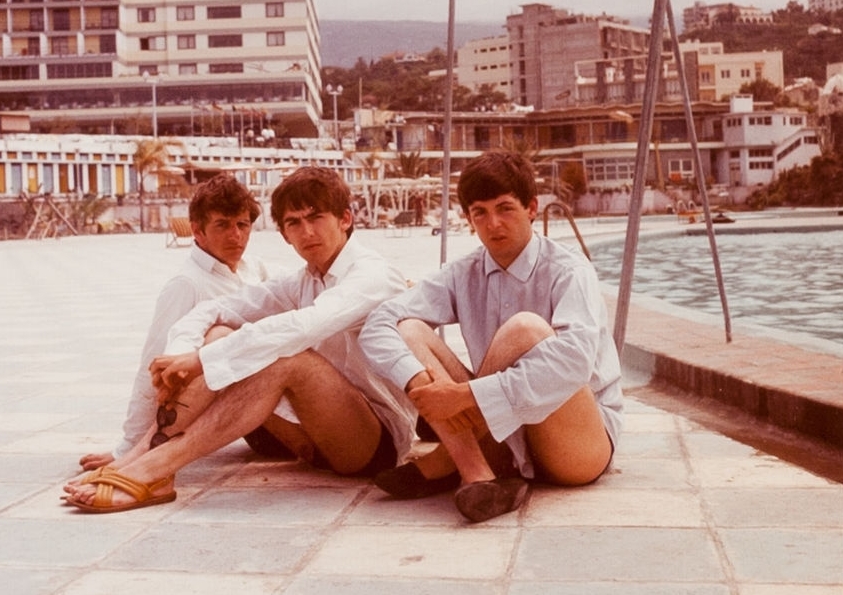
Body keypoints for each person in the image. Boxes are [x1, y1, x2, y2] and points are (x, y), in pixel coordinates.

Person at [63, 166, 415, 513]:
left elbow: (303, 327)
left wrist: (199, 361)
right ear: (284, 235)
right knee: (219, 334)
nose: (307, 231)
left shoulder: (370, 274)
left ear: (345, 219)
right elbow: (217, 309)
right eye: (294, 223)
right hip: (310, 436)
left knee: (288, 357)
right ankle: (142, 457)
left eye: (316, 217)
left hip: (372, 441)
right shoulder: (303, 280)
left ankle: (154, 468)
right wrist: (181, 354)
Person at [359, 152, 623, 523]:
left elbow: (575, 363)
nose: (493, 223)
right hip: (503, 440)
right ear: (468, 219)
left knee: (525, 328)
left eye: (505, 208)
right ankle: (475, 472)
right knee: (408, 328)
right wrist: (422, 385)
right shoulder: (462, 273)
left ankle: (448, 457)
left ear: (531, 208)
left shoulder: (569, 270)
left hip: (576, 446)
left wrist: (463, 397)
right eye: (479, 212)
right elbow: (378, 323)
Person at [77, 174, 303, 472]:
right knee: (220, 336)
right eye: (222, 225)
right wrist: (128, 447)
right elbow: (154, 366)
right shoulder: (187, 285)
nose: (235, 235)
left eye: (242, 225)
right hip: (259, 425)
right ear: (198, 231)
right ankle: (150, 456)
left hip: (277, 404)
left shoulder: (255, 270)